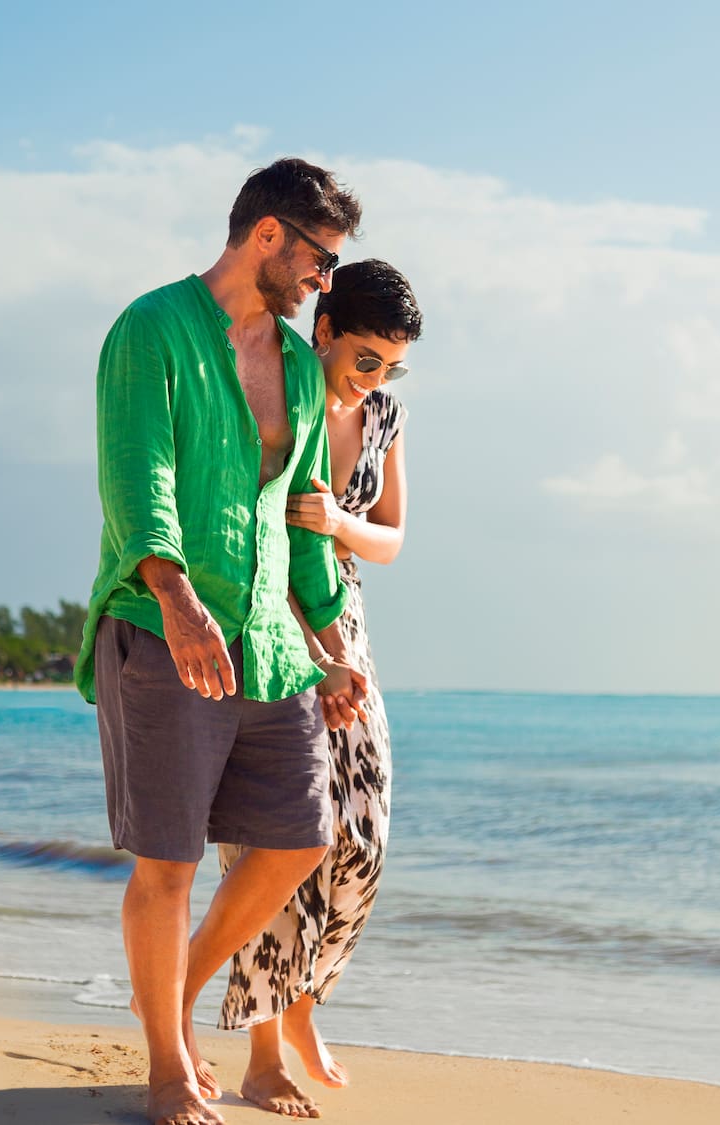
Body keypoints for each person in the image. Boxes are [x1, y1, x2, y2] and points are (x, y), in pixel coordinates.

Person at [74, 157, 371, 1125]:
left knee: (299, 836)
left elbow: (298, 519)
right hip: (164, 634)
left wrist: (330, 646)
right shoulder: (150, 330)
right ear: (269, 236)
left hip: (270, 646)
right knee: (167, 861)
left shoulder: (291, 361)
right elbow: (137, 477)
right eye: (320, 260)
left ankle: (174, 990)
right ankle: (167, 1068)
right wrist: (172, 595)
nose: (323, 283)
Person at [217, 260, 421, 1119]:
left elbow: (393, 539)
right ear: (325, 326)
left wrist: (341, 522)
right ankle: (263, 1057)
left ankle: (301, 1005)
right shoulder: (282, 384)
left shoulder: (382, 414)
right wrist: (310, 648)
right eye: (367, 357)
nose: (376, 376)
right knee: (273, 840)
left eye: (393, 365)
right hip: (268, 618)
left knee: (363, 842)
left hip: (350, 624)